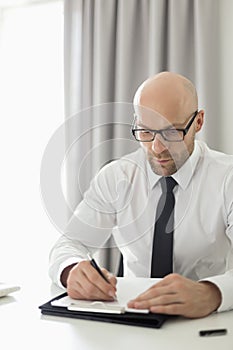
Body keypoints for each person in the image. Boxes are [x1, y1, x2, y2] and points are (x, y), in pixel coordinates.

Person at [49, 71, 233, 318]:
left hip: (206, 323)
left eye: (171, 132)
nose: (157, 148)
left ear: (198, 122)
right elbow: (69, 244)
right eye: (145, 132)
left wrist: (212, 293)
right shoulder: (116, 177)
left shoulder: (227, 178)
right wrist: (71, 270)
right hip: (133, 319)